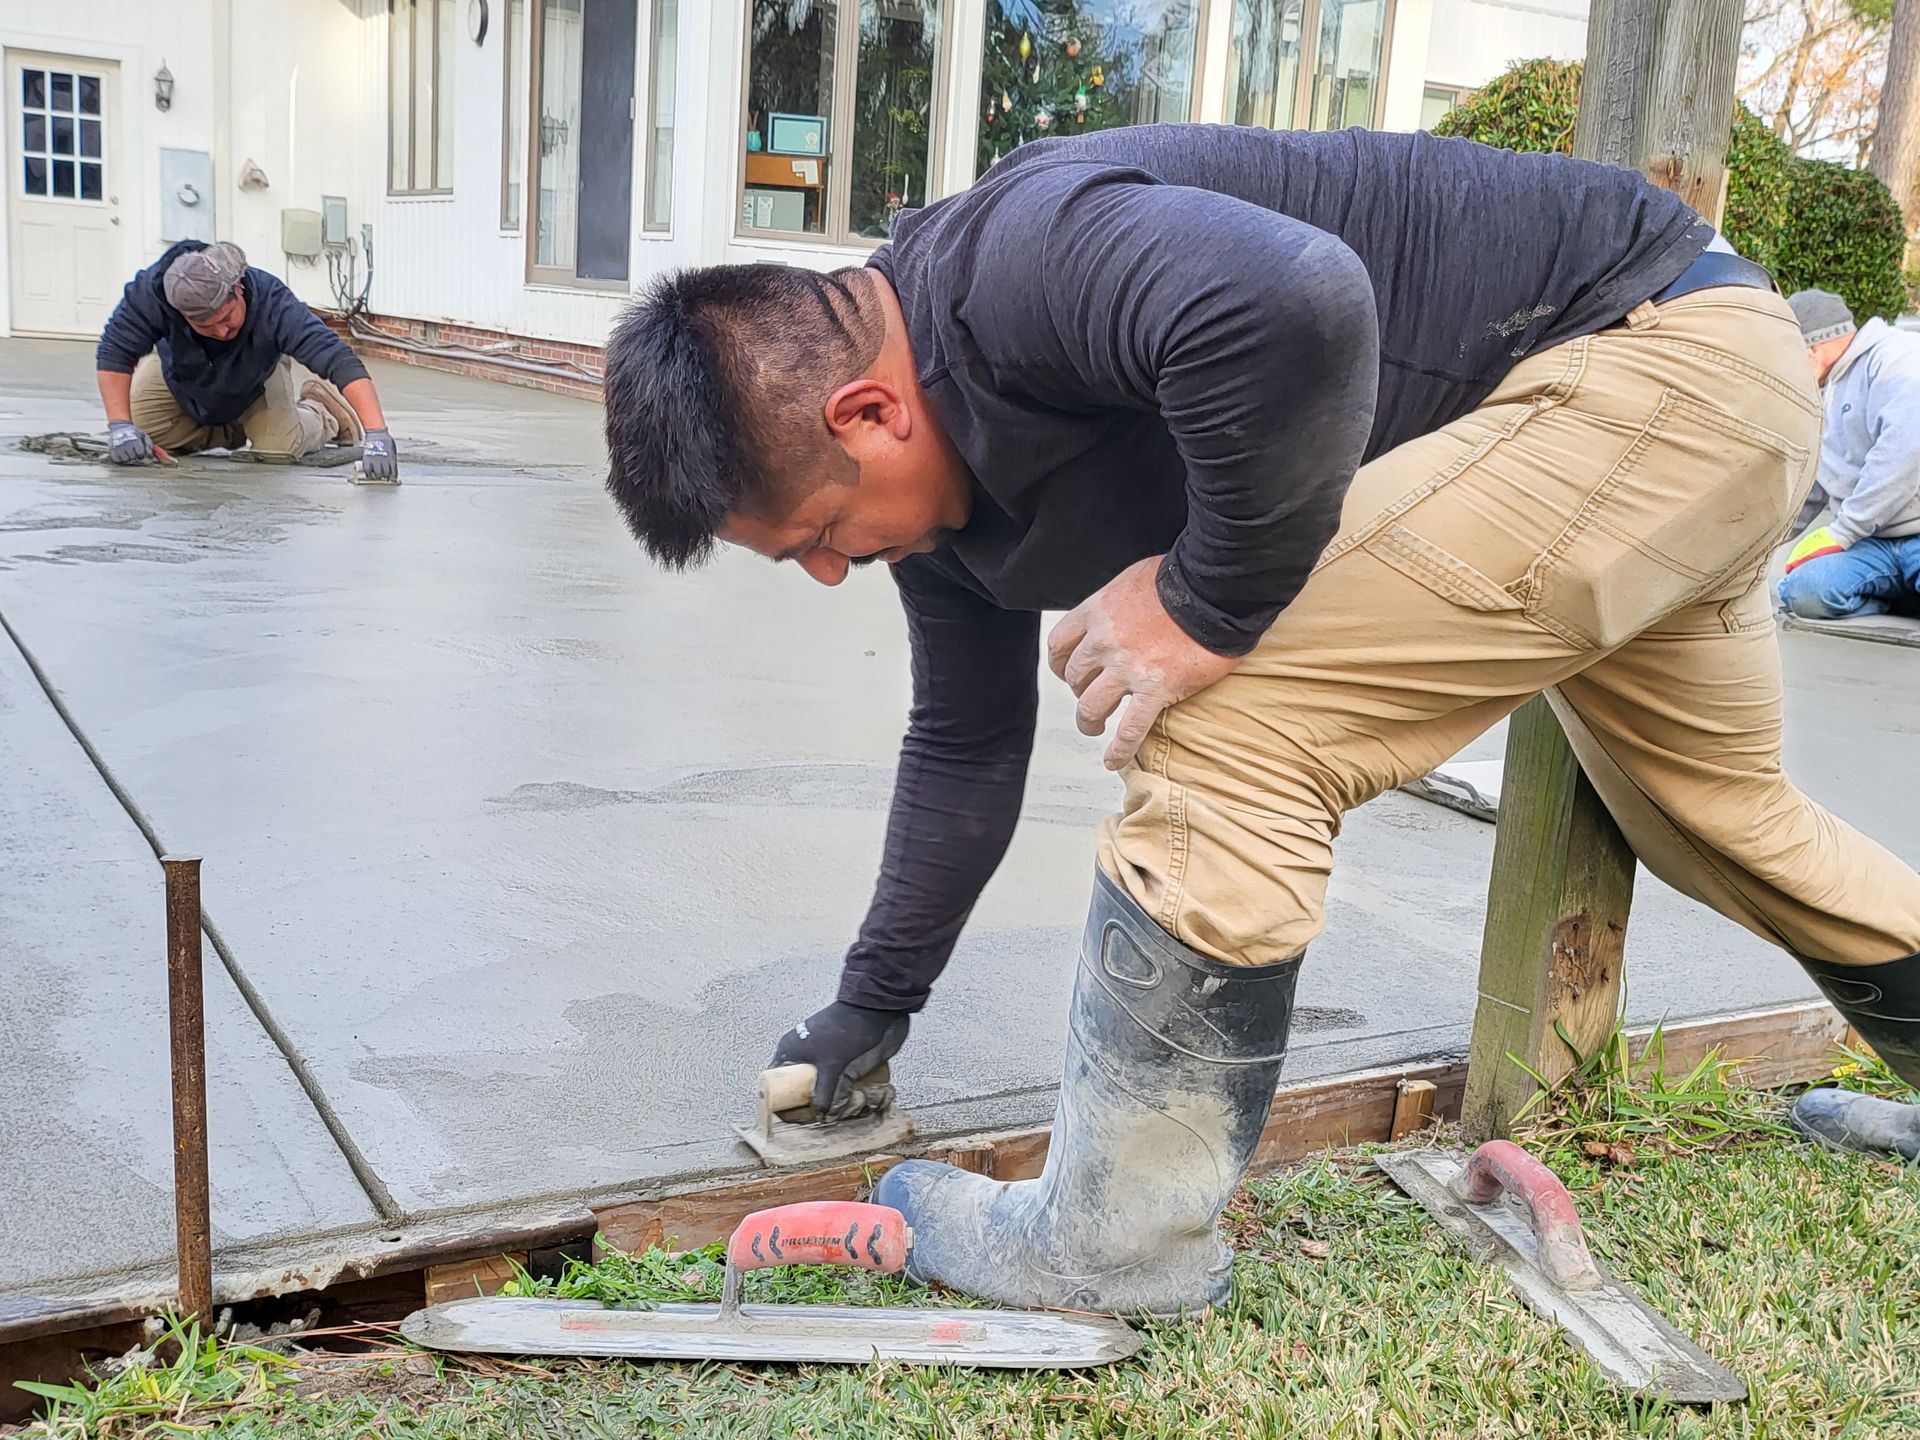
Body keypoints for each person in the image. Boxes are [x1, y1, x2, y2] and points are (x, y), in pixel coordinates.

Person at [602, 125, 1920, 1314]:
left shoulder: (1020, 261)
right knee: (1717, 818)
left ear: (869, 412)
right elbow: (965, 745)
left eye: (819, 535)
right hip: (1696, 398)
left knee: (1228, 724)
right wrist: (866, 1011)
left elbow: (1293, 299)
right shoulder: (941, 523)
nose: (832, 572)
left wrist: (1207, 605)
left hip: (1647, 362)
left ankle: (1113, 1248)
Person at [95, 240, 399, 480]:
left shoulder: (274, 303)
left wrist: (377, 434)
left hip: (256, 378)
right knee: (142, 434)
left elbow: (337, 359)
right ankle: (237, 428)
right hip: (181, 371)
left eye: (227, 318)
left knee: (279, 448)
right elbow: (114, 351)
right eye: (206, 326)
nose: (222, 331)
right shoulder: (153, 293)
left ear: (238, 288)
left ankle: (322, 413)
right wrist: (120, 426)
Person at [1778, 289, 1920, 622]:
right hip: (1871, 546)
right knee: (1803, 593)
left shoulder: (1899, 360)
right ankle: (1901, 599)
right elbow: (1815, 483)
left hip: (1914, 534)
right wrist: (1759, 544)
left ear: (1811, 348)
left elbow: (1903, 454)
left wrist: (1842, 532)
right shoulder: (1823, 390)